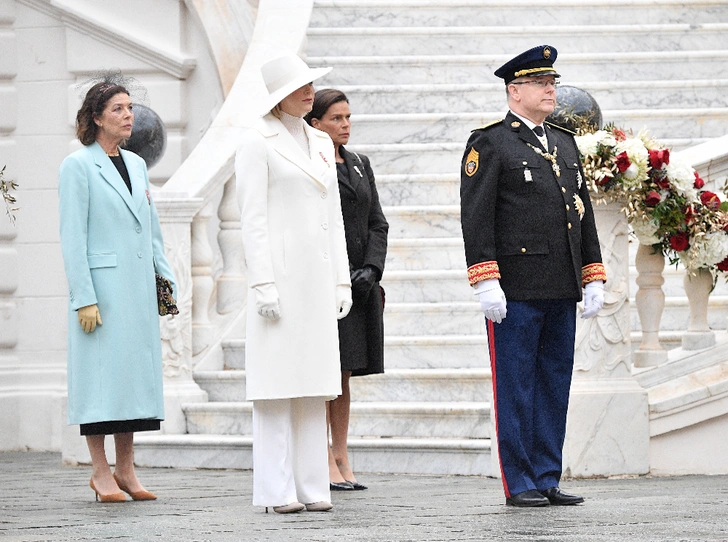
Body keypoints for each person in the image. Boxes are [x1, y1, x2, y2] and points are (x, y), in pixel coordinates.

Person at [459, 45, 606, 508]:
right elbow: (476, 218)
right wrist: (486, 280)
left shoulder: (562, 141)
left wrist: (593, 272)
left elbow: (580, 215)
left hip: (560, 285)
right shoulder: (490, 142)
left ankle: (546, 475)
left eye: (553, 83)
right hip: (516, 287)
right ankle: (519, 480)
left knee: (554, 383)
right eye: (541, 84)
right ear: (514, 90)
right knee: (517, 385)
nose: (551, 90)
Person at [234, 55, 352, 514]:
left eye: (311, 85)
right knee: (277, 385)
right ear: (279, 94)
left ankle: (312, 486)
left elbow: (333, 218)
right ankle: (276, 489)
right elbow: (252, 219)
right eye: (301, 86)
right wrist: (262, 282)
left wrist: (341, 279)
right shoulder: (255, 141)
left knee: (313, 383)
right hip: (279, 282)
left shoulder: (321, 143)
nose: (310, 92)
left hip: (318, 282)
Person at [58, 77, 177, 503]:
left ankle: (127, 470)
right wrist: (83, 297)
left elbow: (152, 229)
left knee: (132, 380)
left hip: (139, 288)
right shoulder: (77, 165)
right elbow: (73, 237)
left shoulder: (138, 164)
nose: (129, 116)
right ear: (96, 118)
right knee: (99, 383)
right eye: (118, 109)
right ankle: (100, 471)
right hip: (102, 292)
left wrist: (165, 281)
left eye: (130, 107)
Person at [305, 89, 389, 491]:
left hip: (361, 284)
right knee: (326, 369)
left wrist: (372, 268)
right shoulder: (310, 163)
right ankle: (320, 454)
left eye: (348, 117)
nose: (345, 125)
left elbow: (378, 222)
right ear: (315, 123)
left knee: (346, 372)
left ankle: (341, 452)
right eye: (336, 119)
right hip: (327, 281)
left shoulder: (360, 164)